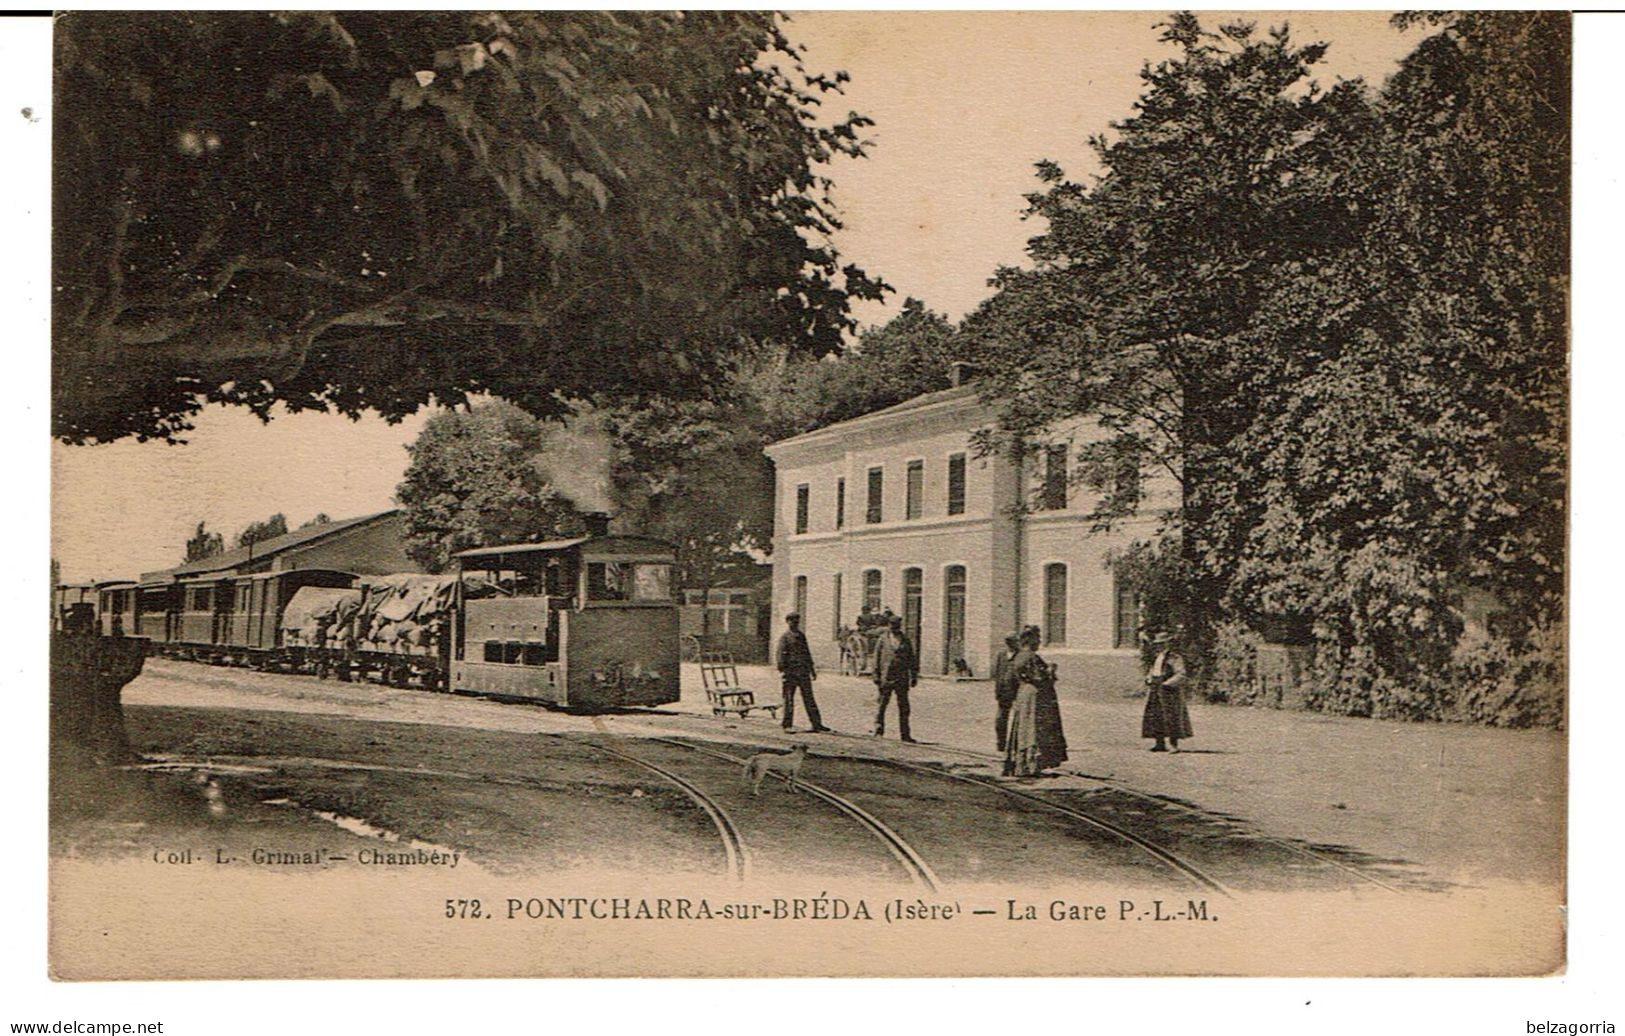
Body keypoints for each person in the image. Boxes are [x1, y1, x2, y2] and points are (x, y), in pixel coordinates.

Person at [1003, 626, 1069, 776]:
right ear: (1029, 639)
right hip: (1036, 696)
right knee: (1035, 728)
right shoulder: (1032, 657)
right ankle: (1032, 765)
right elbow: (1040, 678)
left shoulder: (1019, 656)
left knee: (1024, 728)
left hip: (1024, 694)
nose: (1039, 641)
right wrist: (1051, 670)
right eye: (1037, 638)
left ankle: (1022, 764)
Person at [775, 612, 830, 734]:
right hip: (790, 673)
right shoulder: (785, 637)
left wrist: (812, 669)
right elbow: (780, 655)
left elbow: (807, 653)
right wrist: (783, 670)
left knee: (809, 698)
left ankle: (816, 724)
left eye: (797, 621)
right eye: (792, 621)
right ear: (787, 622)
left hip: (803, 672)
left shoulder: (801, 636)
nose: (795, 624)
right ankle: (787, 724)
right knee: (789, 699)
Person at [1142, 630, 1193, 752]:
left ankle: (1173, 745)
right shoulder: (1157, 657)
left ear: (1169, 643)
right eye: (1158, 643)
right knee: (1156, 715)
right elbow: (1153, 671)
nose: (1160, 646)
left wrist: (1168, 683)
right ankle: (1159, 743)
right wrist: (1149, 678)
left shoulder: (1175, 657)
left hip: (1170, 691)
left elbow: (1181, 674)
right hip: (1156, 688)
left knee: (1171, 716)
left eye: (1162, 643)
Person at [872, 614, 919, 742]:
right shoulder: (883, 639)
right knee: (882, 704)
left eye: (897, 626)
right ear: (889, 625)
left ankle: (905, 734)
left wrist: (913, 675)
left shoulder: (905, 640)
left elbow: (911, 658)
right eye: (892, 625)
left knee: (904, 707)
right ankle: (878, 730)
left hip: (901, 677)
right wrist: (876, 675)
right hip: (886, 677)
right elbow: (876, 658)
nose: (894, 628)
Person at [991, 632, 1021, 752]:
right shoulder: (1001, 655)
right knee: (1000, 719)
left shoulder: (1020, 655)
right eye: (1007, 641)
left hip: (1017, 691)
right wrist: (997, 690)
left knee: (1018, 719)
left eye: (1012, 641)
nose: (1009, 644)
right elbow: (998, 673)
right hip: (1003, 691)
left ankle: (1016, 744)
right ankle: (1001, 743)